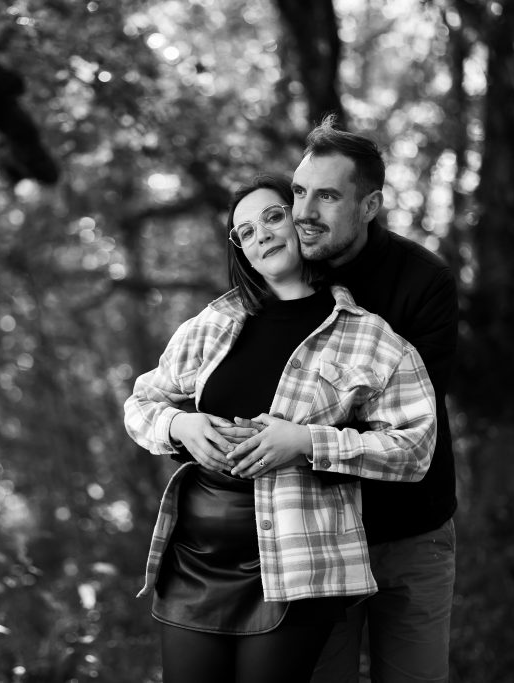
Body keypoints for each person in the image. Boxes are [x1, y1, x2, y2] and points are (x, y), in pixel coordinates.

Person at [123, 174, 438, 683]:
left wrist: (307, 443)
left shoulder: (370, 337)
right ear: (242, 251)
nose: (262, 235)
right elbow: (141, 401)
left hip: (297, 561)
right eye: (245, 232)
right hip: (196, 560)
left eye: (272, 217)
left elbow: (414, 448)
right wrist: (180, 423)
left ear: (299, 222)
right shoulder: (213, 323)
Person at [281, 116, 460, 683]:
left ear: (370, 204)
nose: (304, 212)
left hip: (411, 533)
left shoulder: (424, 282)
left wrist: (304, 435)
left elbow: (407, 430)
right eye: (299, 191)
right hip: (315, 536)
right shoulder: (277, 278)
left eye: (327, 195)